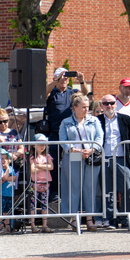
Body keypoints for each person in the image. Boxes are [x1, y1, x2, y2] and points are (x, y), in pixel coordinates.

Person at [58, 93, 104, 232]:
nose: (86, 110)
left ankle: (89, 219)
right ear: (75, 107)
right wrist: (73, 150)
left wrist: (92, 149)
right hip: (73, 156)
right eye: (83, 107)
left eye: (87, 107)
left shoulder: (94, 120)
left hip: (89, 156)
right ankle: (74, 219)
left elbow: (99, 137)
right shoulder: (65, 122)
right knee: (73, 187)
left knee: (89, 187)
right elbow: (62, 140)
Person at [44, 68, 89, 197]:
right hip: (55, 134)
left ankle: (72, 191)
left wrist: (81, 81)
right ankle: (54, 192)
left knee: (73, 163)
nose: (64, 79)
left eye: (66, 77)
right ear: (55, 78)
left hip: (71, 135)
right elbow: (44, 93)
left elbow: (84, 94)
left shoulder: (71, 92)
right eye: (61, 77)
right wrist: (55, 81)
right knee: (54, 162)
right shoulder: (52, 92)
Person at [97, 94, 130, 229]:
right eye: (106, 103)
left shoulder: (125, 119)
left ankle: (125, 218)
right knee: (107, 191)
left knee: (127, 188)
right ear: (101, 105)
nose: (109, 106)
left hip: (120, 157)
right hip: (103, 159)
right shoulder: (97, 120)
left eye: (112, 103)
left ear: (116, 104)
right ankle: (111, 219)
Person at [29, 134, 55, 233]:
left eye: (44, 144)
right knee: (33, 205)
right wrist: (45, 166)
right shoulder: (31, 156)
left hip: (45, 182)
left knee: (45, 205)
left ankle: (45, 225)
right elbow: (32, 170)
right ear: (34, 145)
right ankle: (33, 225)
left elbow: (51, 167)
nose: (42, 146)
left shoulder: (47, 155)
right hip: (34, 183)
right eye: (40, 144)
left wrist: (38, 166)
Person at [0, 150, 16, 233]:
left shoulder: (12, 169)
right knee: (0, 212)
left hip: (10, 194)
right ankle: (0, 226)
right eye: (2, 158)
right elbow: (4, 178)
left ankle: (7, 226)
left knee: (7, 211)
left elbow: (14, 178)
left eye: (6, 158)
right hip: (1, 194)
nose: (4, 160)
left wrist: (6, 178)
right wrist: (7, 170)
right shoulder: (0, 170)